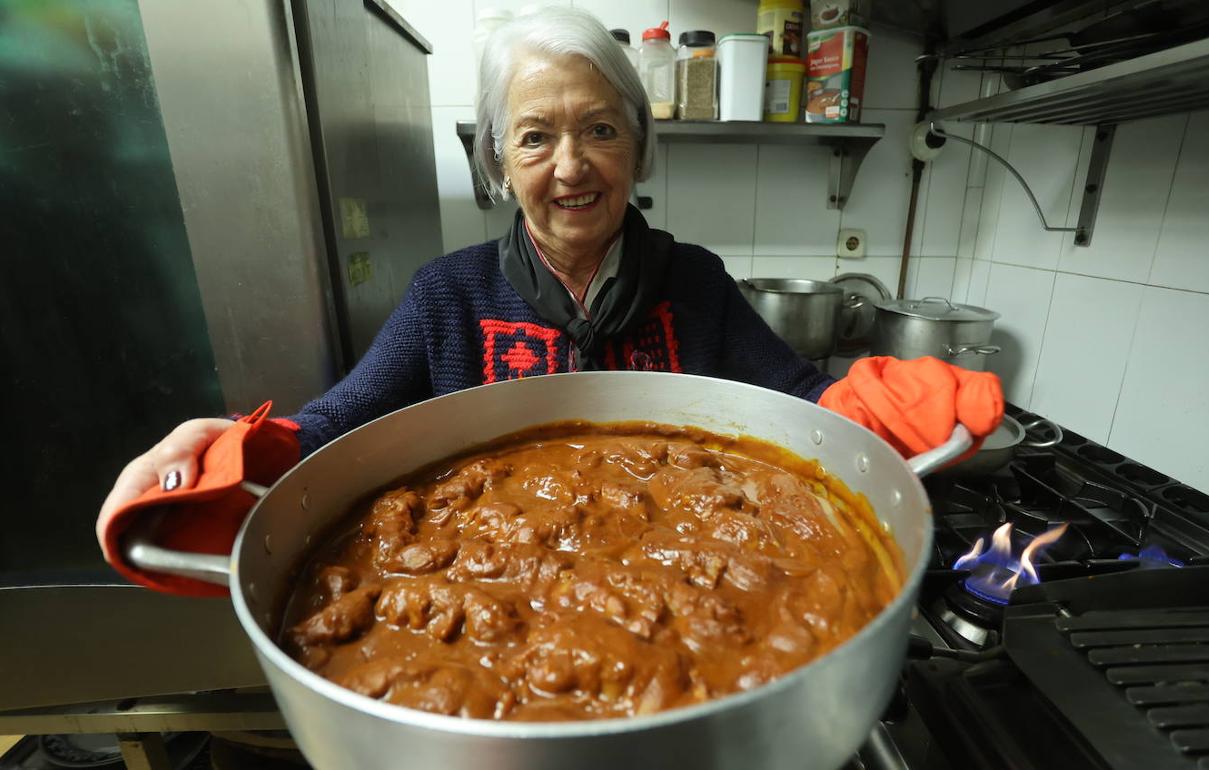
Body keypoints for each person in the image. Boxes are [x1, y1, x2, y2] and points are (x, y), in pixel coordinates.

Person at [97, 9, 1002, 558]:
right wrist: (237, 452)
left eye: (600, 130)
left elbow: (802, 400)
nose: (571, 166)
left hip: (687, 569)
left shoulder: (696, 283)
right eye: (535, 137)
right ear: (498, 162)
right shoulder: (446, 297)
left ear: (639, 146)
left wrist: (880, 403)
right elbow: (338, 426)